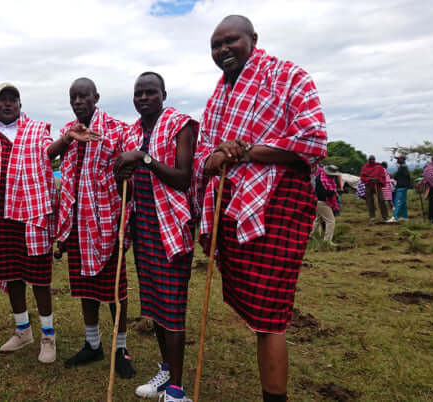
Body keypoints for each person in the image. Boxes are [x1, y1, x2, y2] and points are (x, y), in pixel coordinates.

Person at [195, 16, 327, 402]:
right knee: (259, 315)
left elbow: (312, 142)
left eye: (229, 41)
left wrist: (245, 151)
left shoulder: (288, 76)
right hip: (232, 209)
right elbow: (205, 155)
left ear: (253, 39)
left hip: (278, 204)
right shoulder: (218, 97)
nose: (222, 50)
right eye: (215, 45)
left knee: (271, 317)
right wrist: (219, 155)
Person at [0, 82, 93, 363]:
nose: (8, 103)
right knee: (11, 273)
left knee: (38, 275)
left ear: (20, 105)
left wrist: (68, 138)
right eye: (2, 99)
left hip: (31, 212)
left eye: (13, 99)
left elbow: (46, 154)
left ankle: (48, 335)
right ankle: (22, 330)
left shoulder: (36, 131)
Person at [114, 72, 198, 401]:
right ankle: (166, 371)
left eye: (151, 92)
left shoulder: (181, 125)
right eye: (139, 93)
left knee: (173, 308)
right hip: (144, 224)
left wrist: (143, 159)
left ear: (164, 94)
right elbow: (133, 186)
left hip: (172, 228)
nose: (144, 98)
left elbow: (182, 178)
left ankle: (176, 391)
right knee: (156, 307)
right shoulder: (133, 132)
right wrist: (124, 176)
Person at [56, 77, 136, 379]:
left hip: (106, 221)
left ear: (96, 97)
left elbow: (128, 173)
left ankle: (121, 348)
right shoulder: (70, 131)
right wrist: (69, 138)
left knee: (115, 290)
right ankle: (93, 345)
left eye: (83, 96)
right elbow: (50, 158)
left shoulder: (116, 129)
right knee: (84, 288)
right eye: (73, 97)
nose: (78, 102)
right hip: (76, 222)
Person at [310, 166, 338, 243]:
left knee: (317, 219)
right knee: (331, 221)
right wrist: (333, 192)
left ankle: (309, 235)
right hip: (323, 202)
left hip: (319, 202)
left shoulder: (327, 179)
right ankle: (327, 241)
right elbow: (322, 193)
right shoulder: (320, 180)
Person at [360, 155, 388, 222]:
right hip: (368, 185)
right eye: (370, 159)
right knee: (369, 201)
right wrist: (370, 179)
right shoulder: (365, 167)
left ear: (375, 160)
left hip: (377, 185)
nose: (372, 161)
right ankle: (372, 216)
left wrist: (378, 180)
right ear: (368, 160)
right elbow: (362, 177)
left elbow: (383, 176)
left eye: (373, 159)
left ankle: (385, 216)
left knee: (381, 199)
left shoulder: (379, 167)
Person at [392, 154, 410, 221]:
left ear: (402, 159)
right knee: (403, 203)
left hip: (401, 187)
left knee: (398, 202)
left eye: (398, 159)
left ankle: (395, 217)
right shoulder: (404, 167)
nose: (397, 160)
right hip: (403, 187)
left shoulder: (402, 167)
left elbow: (397, 177)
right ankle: (404, 217)